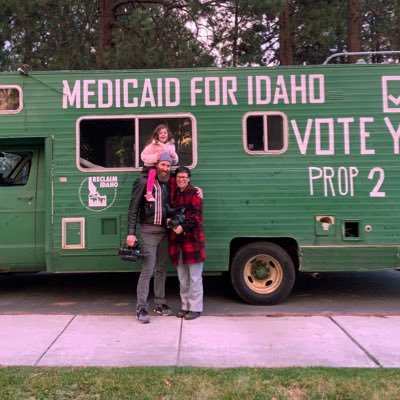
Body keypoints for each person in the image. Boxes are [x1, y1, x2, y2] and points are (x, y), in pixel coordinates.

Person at [126, 151, 175, 324]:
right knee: (148, 270)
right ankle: (141, 307)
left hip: (165, 232)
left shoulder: (169, 183)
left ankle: (159, 304)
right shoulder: (143, 182)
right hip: (148, 231)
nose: (166, 168)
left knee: (161, 269)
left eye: (168, 166)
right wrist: (131, 233)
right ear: (156, 165)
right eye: (163, 164)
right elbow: (133, 209)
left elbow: (185, 185)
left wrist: (197, 190)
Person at [168, 166, 206, 320]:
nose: (181, 179)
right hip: (178, 242)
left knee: (195, 278)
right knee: (182, 277)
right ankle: (185, 306)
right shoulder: (175, 193)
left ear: (189, 178)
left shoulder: (195, 193)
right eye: (178, 177)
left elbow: (197, 217)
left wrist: (182, 227)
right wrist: (171, 221)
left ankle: (196, 308)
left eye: (184, 177)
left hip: (192, 240)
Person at [141, 124, 178, 202]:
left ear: (168, 134)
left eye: (165, 133)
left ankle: (174, 199)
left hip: (163, 168)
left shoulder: (171, 146)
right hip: (150, 167)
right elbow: (143, 156)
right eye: (160, 133)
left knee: (172, 178)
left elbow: (174, 161)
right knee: (153, 172)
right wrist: (155, 157)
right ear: (157, 135)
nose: (163, 134)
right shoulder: (152, 145)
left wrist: (174, 156)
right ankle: (149, 193)